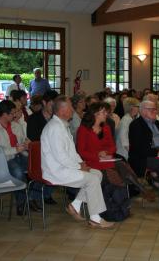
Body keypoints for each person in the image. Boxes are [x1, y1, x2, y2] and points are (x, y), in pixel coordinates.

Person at [41, 96, 114, 229]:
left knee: (97, 173)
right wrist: (79, 167)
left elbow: (72, 153)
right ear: (62, 111)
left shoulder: (62, 125)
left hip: (65, 166)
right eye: (70, 108)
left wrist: (82, 164)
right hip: (56, 170)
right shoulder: (54, 128)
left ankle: (75, 205)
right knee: (92, 179)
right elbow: (60, 157)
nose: (73, 111)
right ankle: (95, 218)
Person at [76, 102, 155, 202]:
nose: (107, 114)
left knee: (122, 165)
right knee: (117, 171)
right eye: (104, 112)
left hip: (106, 160)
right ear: (95, 113)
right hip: (91, 162)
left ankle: (133, 192)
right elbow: (81, 151)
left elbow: (113, 147)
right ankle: (125, 196)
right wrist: (98, 155)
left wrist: (107, 153)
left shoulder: (106, 128)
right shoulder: (83, 129)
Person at [0, 100, 35, 214]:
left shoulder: (16, 126)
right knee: (18, 173)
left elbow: (23, 139)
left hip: (20, 155)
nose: (15, 115)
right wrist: (15, 149)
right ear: (4, 114)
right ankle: (23, 202)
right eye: (12, 113)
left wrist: (28, 143)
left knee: (37, 166)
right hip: (4, 160)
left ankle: (31, 196)